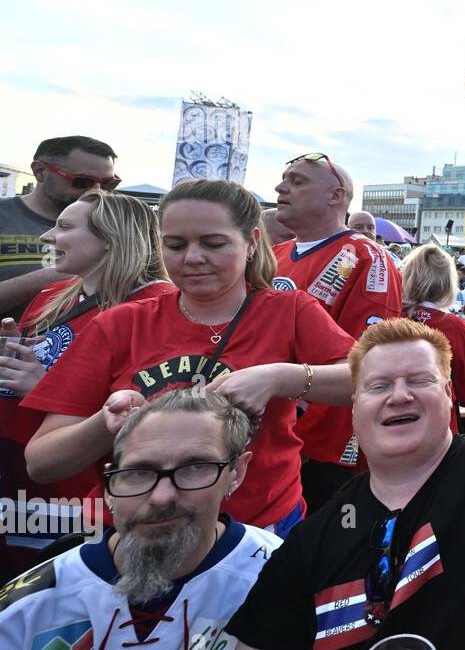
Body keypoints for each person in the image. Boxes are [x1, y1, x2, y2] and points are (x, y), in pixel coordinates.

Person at [220, 220, 465, 650]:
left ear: (448, 394)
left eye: (419, 381)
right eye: (378, 386)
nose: (399, 396)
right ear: (354, 410)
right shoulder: (311, 542)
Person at [22, 178, 359, 538]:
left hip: (254, 531)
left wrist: (281, 377)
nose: (193, 258)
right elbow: (42, 462)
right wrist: (109, 422)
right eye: (176, 244)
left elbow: (364, 377)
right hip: (138, 533)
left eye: (214, 244)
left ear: (252, 244)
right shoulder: (121, 323)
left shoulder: (290, 311)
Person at [0, 389, 281, 650]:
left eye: (195, 468)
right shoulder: (22, 611)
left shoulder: (283, 576)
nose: (162, 497)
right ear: (108, 486)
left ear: (236, 472)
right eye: (138, 472)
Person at [0, 191, 171, 578]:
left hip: (80, 490)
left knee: (60, 589)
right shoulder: (53, 295)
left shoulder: (157, 307)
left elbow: (147, 410)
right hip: (18, 476)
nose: (47, 238)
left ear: (109, 238)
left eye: (63, 227)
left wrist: (45, 387)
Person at [272, 153, 404, 511]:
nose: (280, 188)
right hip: (263, 436)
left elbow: (367, 364)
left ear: (336, 196)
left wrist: (309, 443)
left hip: (314, 451)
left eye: (297, 181)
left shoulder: (364, 257)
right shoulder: (274, 254)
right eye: (284, 179)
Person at [0, 136, 119, 322]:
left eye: (108, 184)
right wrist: (52, 276)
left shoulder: (116, 229)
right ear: (40, 171)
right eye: (83, 181)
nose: (97, 191)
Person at [401, 243, 465, 430]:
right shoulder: (452, 326)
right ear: (448, 282)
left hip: (390, 417)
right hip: (437, 423)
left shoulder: (391, 315)